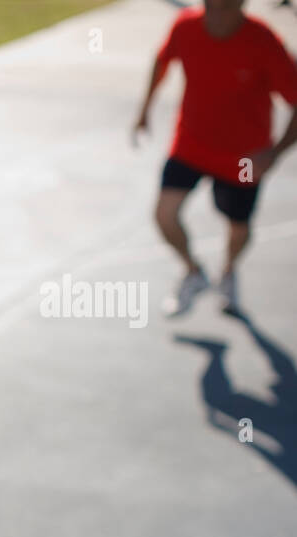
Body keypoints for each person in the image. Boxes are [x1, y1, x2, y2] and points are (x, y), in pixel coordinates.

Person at [133, 0, 297, 316]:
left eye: (224, 7)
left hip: (245, 158)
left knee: (239, 227)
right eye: (210, 5)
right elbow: (161, 59)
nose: (216, 14)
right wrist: (144, 111)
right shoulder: (185, 26)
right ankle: (194, 272)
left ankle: (229, 271)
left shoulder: (264, 41)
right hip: (190, 144)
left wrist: (274, 153)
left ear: (241, 4)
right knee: (164, 215)